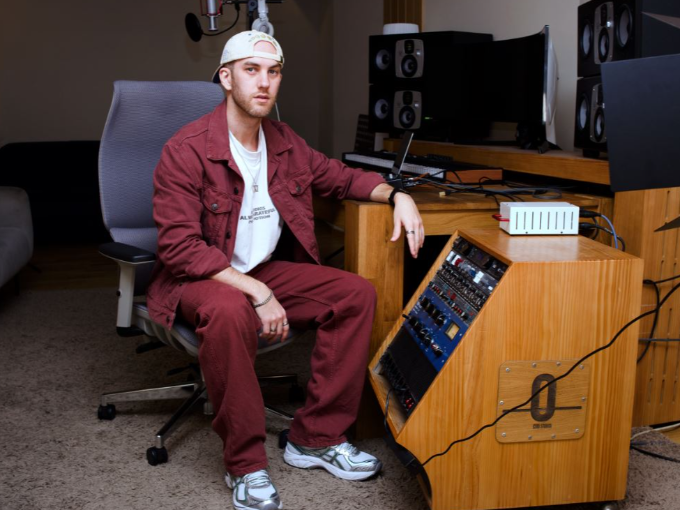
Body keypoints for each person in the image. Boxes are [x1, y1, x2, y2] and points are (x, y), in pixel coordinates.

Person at [147, 30, 424, 510]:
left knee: (354, 294)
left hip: (262, 270)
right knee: (231, 311)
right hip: (200, 278)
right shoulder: (186, 148)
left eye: (273, 72)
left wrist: (397, 194)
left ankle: (316, 438)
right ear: (226, 77)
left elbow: (342, 178)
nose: (264, 83)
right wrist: (257, 292)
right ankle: (245, 465)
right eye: (251, 70)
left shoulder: (285, 142)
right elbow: (179, 248)